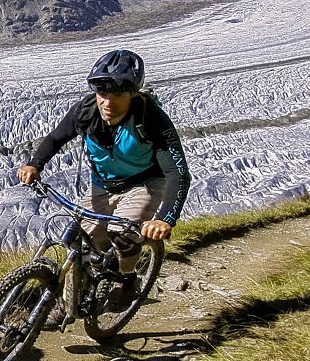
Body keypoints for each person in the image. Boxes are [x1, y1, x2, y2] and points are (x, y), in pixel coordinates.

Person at [16, 49, 191, 312]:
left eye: (118, 94)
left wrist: (165, 218)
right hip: (103, 184)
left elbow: (177, 173)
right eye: (102, 93)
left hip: (144, 183)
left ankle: (127, 278)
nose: (108, 102)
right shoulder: (85, 111)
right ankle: (69, 300)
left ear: (133, 93)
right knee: (83, 240)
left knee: (123, 234)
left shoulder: (151, 119)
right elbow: (55, 138)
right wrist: (34, 164)